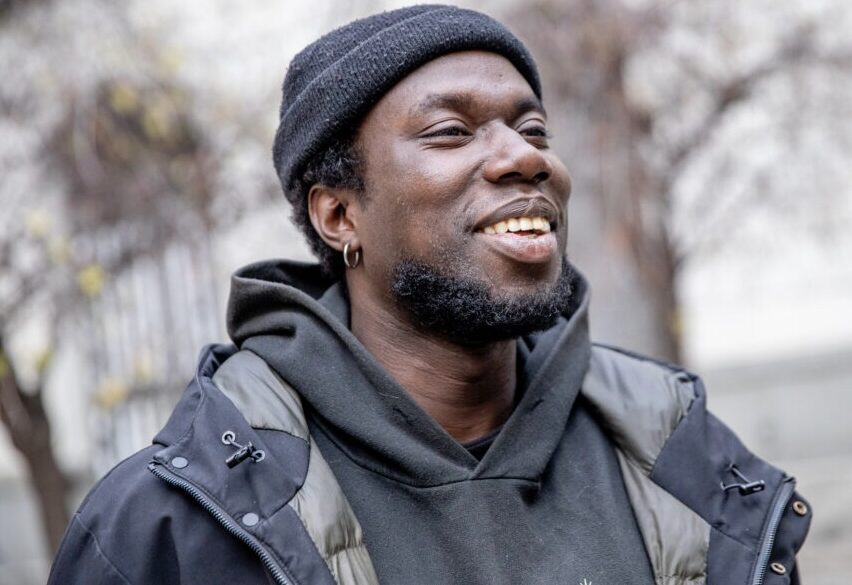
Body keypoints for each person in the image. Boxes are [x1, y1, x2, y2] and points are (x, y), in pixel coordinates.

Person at [49, 5, 811, 584]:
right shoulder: (171, 523)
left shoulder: (682, 462)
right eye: (451, 131)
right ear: (339, 215)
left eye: (534, 130)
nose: (525, 158)